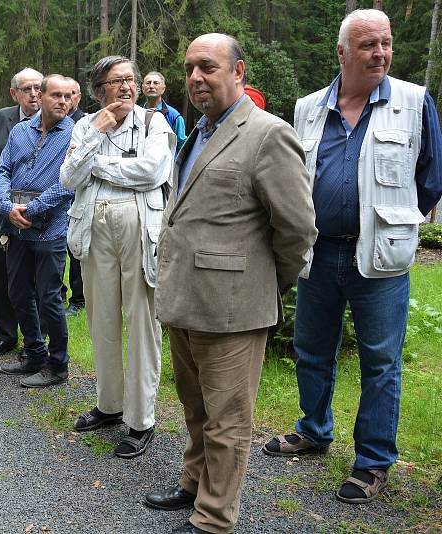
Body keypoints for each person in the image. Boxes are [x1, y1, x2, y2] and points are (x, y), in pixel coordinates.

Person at [263, 9, 442, 505]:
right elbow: (297, 174)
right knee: (312, 350)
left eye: (385, 43)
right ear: (342, 53)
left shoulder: (412, 101)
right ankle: (314, 431)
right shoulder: (308, 107)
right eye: (368, 45)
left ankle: (372, 461)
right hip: (318, 254)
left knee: (381, 362)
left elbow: (430, 176)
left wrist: (396, 221)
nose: (381, 53)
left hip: (381, 259)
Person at [143, 34, 316, 534]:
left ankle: (215, 519)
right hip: (185, 298)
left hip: (233, 307)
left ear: (238, 72)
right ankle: (193, 484)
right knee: (195, 407)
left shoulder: (267, 133)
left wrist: (266, 283)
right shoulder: (199, 131)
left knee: (228, 419)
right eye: (190, 67)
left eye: (209, 67)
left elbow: (298, 227)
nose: (196, 77)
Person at [61, 56, 175, 458]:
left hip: (141, 227)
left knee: (142, 320)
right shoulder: (84, 125)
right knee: (101, 316)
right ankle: (110, 405)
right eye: (116, 81)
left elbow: (152, 172)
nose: (127, 87)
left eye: (131, 80)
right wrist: (95, 137)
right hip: (95, 226)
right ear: (98, 90)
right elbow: (68, 177)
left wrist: (100, 166)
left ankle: (141, 420)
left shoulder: (153, 123)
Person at [0, 74, 74, 388]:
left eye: (68, 96)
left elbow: (68, 183)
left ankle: (58, 365)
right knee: (18, 292)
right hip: (15, 226)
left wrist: (32, 209)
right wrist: (5, 206)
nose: (63, 102)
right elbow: (3, 171)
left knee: (50, 298)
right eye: (56, 95)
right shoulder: (18, 131)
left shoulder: (75, 135)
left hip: (50, 229)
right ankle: (34, 352)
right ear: (40, 96)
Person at [0, 67, 44, 358]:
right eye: (27, 89)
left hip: (41, 213)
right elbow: (1, 165)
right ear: (14, 93)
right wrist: (5, 204)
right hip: (4, 211)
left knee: (36, 280)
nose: (34, 94)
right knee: (3, 276)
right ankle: (5, 335)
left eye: (38, 87)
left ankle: (35, 340)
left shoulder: (57, 120)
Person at [61, 76, 86, 316]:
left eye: (71, 95)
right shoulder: (51, 121)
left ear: (78, 97)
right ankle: (58, 294)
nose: (66, 100)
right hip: (56, 196)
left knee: (76, 250)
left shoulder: (87, 123)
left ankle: (79, 300)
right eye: (62, 95)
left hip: (78, 196)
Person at [142, 71, 187, 153]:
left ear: (163, 89)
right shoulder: (137, 114)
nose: (151, 86)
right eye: (148, 83)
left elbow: (182, 147)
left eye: (156, 83)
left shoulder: (174, 116)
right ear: (143, 88)